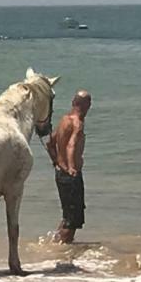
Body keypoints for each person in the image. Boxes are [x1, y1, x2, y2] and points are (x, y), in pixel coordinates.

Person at [46, 90, 92, 243]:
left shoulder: (63, 121)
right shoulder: (77, 123)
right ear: (86, 105)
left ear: (73, 103)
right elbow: (71, 145)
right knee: (72, 221)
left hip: (61, 174)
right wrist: (71, 167)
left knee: (68, 216)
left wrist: (56, 162)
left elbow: (50, 144)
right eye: (89, 103)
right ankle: (61, 249)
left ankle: (55, 244)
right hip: (71, 176)